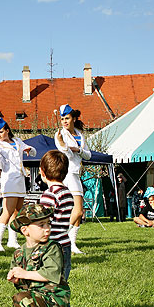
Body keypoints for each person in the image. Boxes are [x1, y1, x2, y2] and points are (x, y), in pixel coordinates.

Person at [5, 204, 72, 307]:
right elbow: (20, 277)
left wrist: (25, 273)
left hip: (53, 299)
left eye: (48, 223)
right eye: (41, 225)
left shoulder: (51, 248)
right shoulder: (19, 253)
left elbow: (49, 274)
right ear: (25, 230)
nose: (47, 229)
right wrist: (16, 279)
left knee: (21, 300)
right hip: (35, 298)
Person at [37, 150, 74, 307]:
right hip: (65, 244)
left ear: (42, 172)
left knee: (49, 284)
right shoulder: (67, 193)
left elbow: (43, 222)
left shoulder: (49, 195)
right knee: (62, 284)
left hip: (52, 246)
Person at [0, 118, 36, 251]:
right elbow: (0, 166)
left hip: (20, 179)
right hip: (9, 180)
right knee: (7, 211)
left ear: (7, 130)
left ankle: (12, 240)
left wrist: (28, 149)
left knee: (17, 211)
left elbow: (33, 152)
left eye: (1, 131)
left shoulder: (18, 141)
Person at [54, 104, 91, 254]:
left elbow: (88, 155)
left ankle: (72, 244)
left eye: (67, 118)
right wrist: (64, 145)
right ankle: (58, 237)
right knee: (77, 209)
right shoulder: (59, 135)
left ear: (74, 118)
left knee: (78, 212)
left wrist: (78, 149)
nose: (64, 121)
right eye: (62, 118)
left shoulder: (80, 135)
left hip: (77, 173)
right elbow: (65, 156)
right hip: (68, 174)